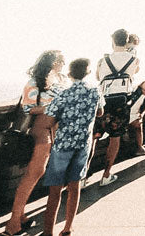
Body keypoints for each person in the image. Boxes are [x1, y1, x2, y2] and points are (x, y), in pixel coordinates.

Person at [2, 51, 68, 236]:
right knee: (34, 173)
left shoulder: (60, 80)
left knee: (34, 174)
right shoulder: (33, 82)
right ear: (53, 62)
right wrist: (53, 107)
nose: (64, 63)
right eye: (61, 60)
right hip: (42, 130)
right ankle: (13, 223)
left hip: (56, 130)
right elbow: (27, 108)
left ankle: (20, 217)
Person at [41, 58, 104, 236]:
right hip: (83, 144)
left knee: (54, 191)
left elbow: (48, 121)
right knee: (74, 187)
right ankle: (68, 227)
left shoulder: (63, 93)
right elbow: (100, 112)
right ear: (88, 72)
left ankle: (48, 232)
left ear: (69, 74)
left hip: (62, 145)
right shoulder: (95, 91)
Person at [95, 28, 139, 186]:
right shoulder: (134, 59)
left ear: (112, 41)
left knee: (94, 137)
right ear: (127, 41)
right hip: (121, 102)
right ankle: (106, 175)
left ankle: (83, 177)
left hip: (103, 101)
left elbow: (98, 77)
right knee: (115, 138)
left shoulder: (103, 60)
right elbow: (133, 75)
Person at [128, 80, 145, 156]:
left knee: (139, 125)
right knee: (138, 126)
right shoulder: (135, 92)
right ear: (141, 84)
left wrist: (141, 114)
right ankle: (139, 147)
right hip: (128, 112)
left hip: (135, 114)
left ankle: (140, 147)